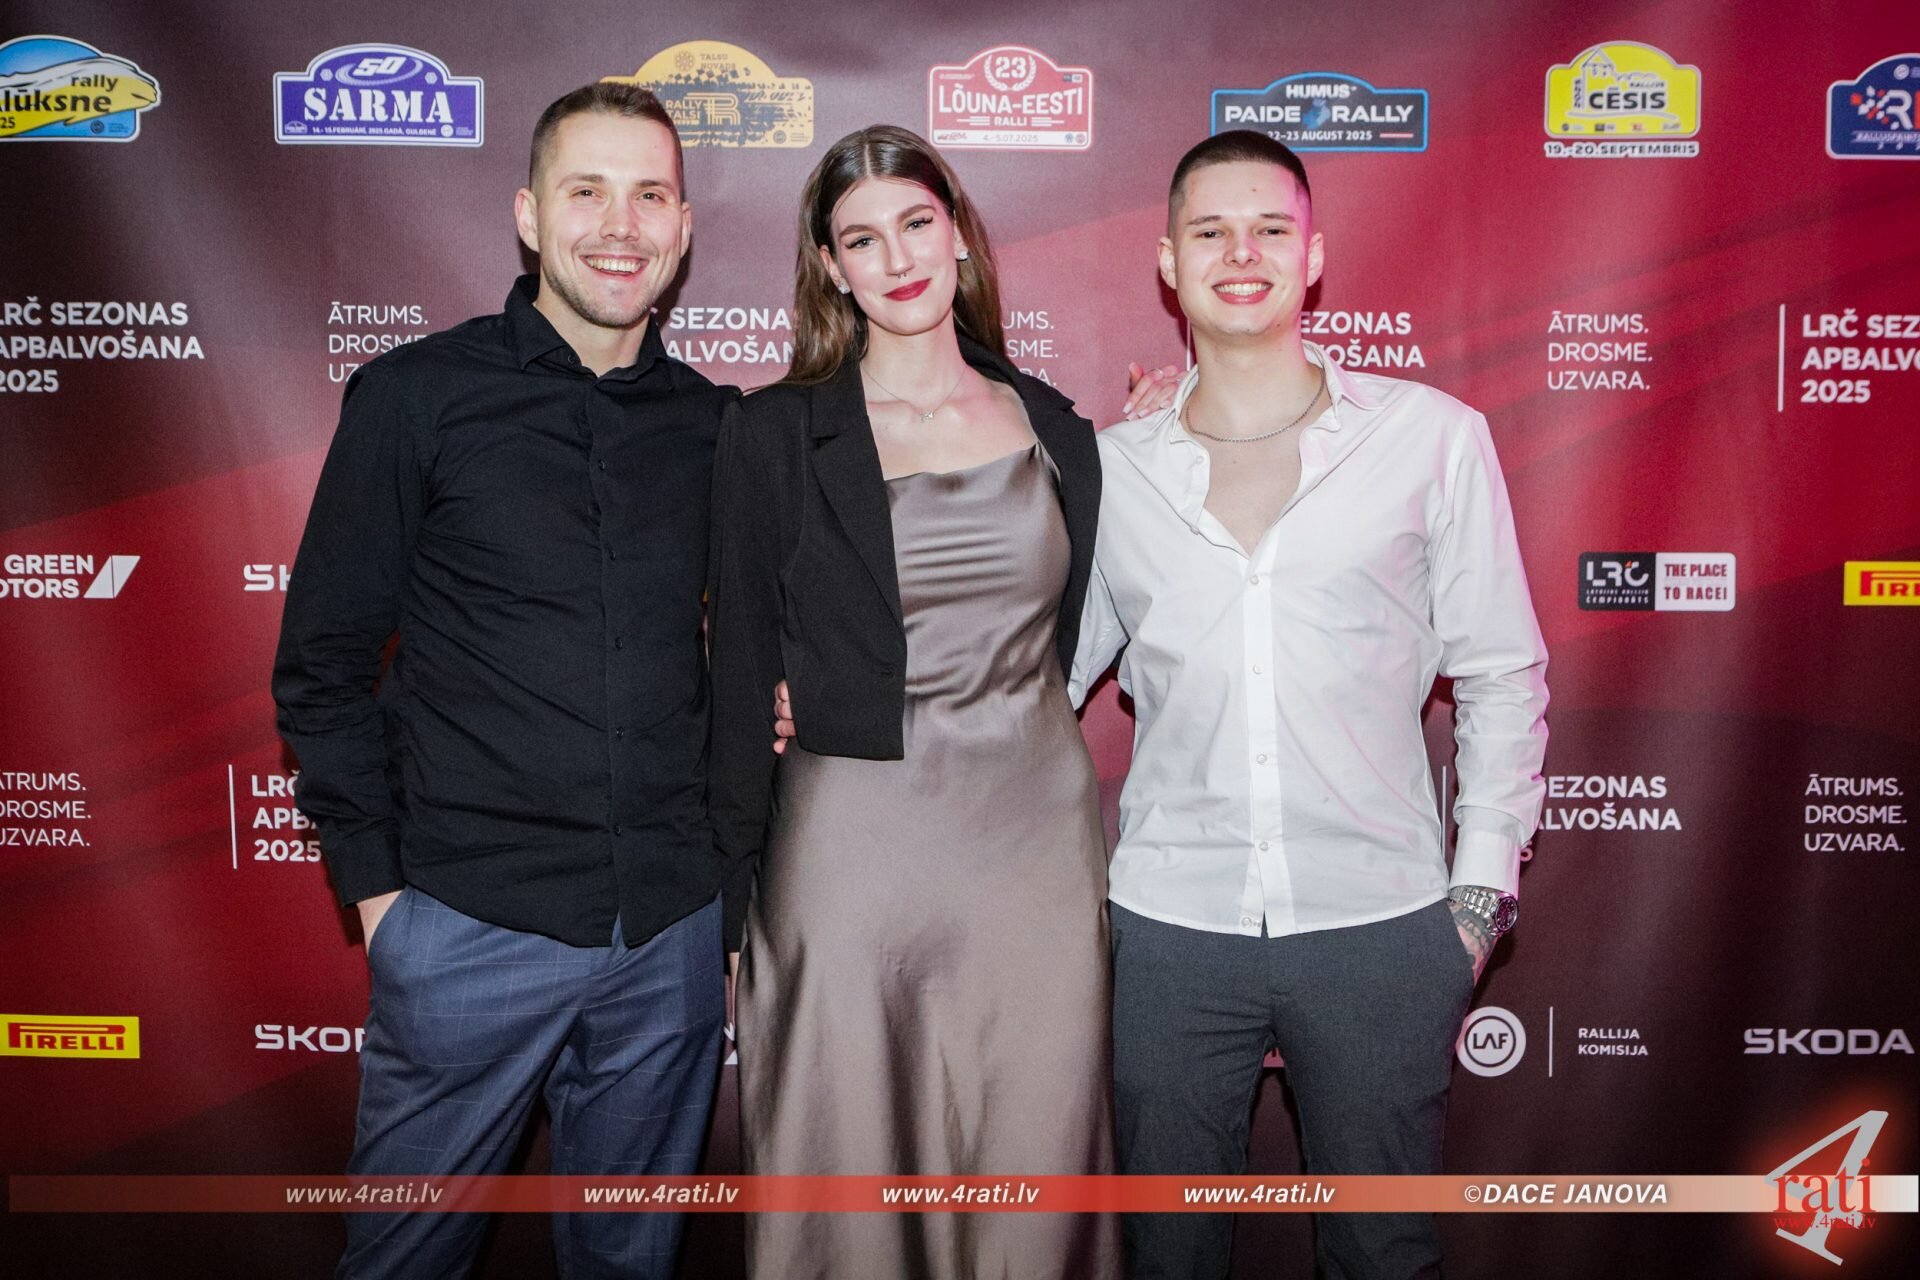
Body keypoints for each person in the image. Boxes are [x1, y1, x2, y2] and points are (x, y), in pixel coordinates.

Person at [273, 82, 731, 1280]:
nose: (619, 225)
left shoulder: (718, 426)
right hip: (467, 927)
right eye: (588, 191)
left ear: (684, 228)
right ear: (530, 214)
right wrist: (383, 902)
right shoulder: (416, 397)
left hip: (669, 938)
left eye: (649, 195)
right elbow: (322, 664)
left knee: (629, 1265)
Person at [1078, 131, 1549, 1279]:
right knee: (1167, 1257)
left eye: (1269, 229)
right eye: (1211, 231)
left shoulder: (1431, 439)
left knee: (1384, 1253)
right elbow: (1026, 683)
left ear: (1314, 254)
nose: (1241, 253)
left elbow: (1501, 670)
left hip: (1380, 922)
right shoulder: (1112, 472)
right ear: (1168, 262)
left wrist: (1476, 899)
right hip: (1169, 926)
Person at [706, 124, 1122, 1279]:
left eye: (916, 223)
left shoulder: (1058, 429)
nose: (896, 258)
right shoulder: (774, 433)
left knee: (1035, 1153)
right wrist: (730, 913)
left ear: (959, 235)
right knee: (846, 1162)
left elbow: (1071, 640)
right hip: (851, 853)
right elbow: (738, 677)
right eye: (861, 239)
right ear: (829, 267)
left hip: (1034, 853)